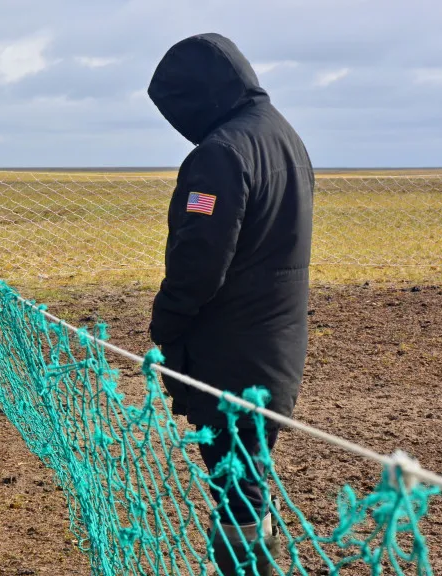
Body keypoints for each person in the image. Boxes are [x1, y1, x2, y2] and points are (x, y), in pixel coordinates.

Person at [146, 33, 314, 574]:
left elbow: (200, 257)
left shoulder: (221, 154)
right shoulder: (283, 137)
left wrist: (166, 323)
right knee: (246, 484)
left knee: (238, 491)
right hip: (273, 349)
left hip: (231, 358)